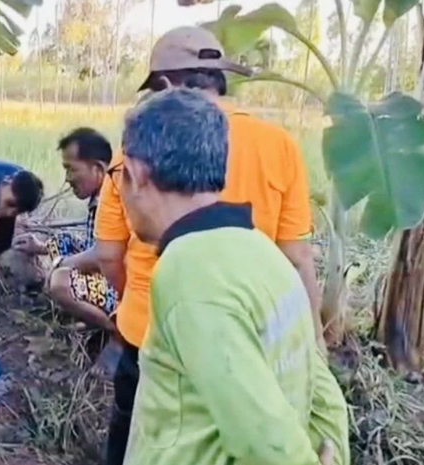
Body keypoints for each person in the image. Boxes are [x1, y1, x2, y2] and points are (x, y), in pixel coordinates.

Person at [95, 26, 324, 465]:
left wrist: (135, 300)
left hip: (150, 333)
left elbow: (109, 253)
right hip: (260, 340)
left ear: (163, 86)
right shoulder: (280, 146)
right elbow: (297, 256)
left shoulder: (139, 149)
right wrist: (311, 346)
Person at [12, 128, 117, 333]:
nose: (67, 178)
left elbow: (104, 255)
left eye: (71, 169)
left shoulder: (112, 202)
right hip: (108, 269)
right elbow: (90, 245)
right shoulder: (99, 198)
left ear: (98, 168)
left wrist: (62, 263)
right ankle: (93, 320)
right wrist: (42, 247)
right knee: (62, 241)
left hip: (122, 284)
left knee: (61, 282)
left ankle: (115, 332)